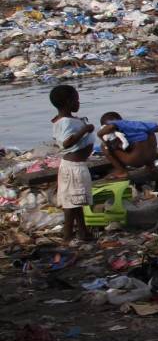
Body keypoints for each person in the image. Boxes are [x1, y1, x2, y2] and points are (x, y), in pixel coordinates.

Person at [50, 85, 95, 243]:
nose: (78, 102)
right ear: (68, 102)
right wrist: (85, 130)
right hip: (73, 168)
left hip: (75, 166)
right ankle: (68, 235)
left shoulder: (67, 120)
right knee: (71, 204)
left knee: (76, 201)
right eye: (76, 100)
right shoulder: (65, 122)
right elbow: (66, 143)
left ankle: (82, 231)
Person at [96, 112, 158, 178]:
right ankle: (151, 166)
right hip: (151, 157)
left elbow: (111, 126)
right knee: (149, 133)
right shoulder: (136, 124)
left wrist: (100, 134)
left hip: (135, 161)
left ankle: (121, 171)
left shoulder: (115, 123)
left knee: (103, 146)